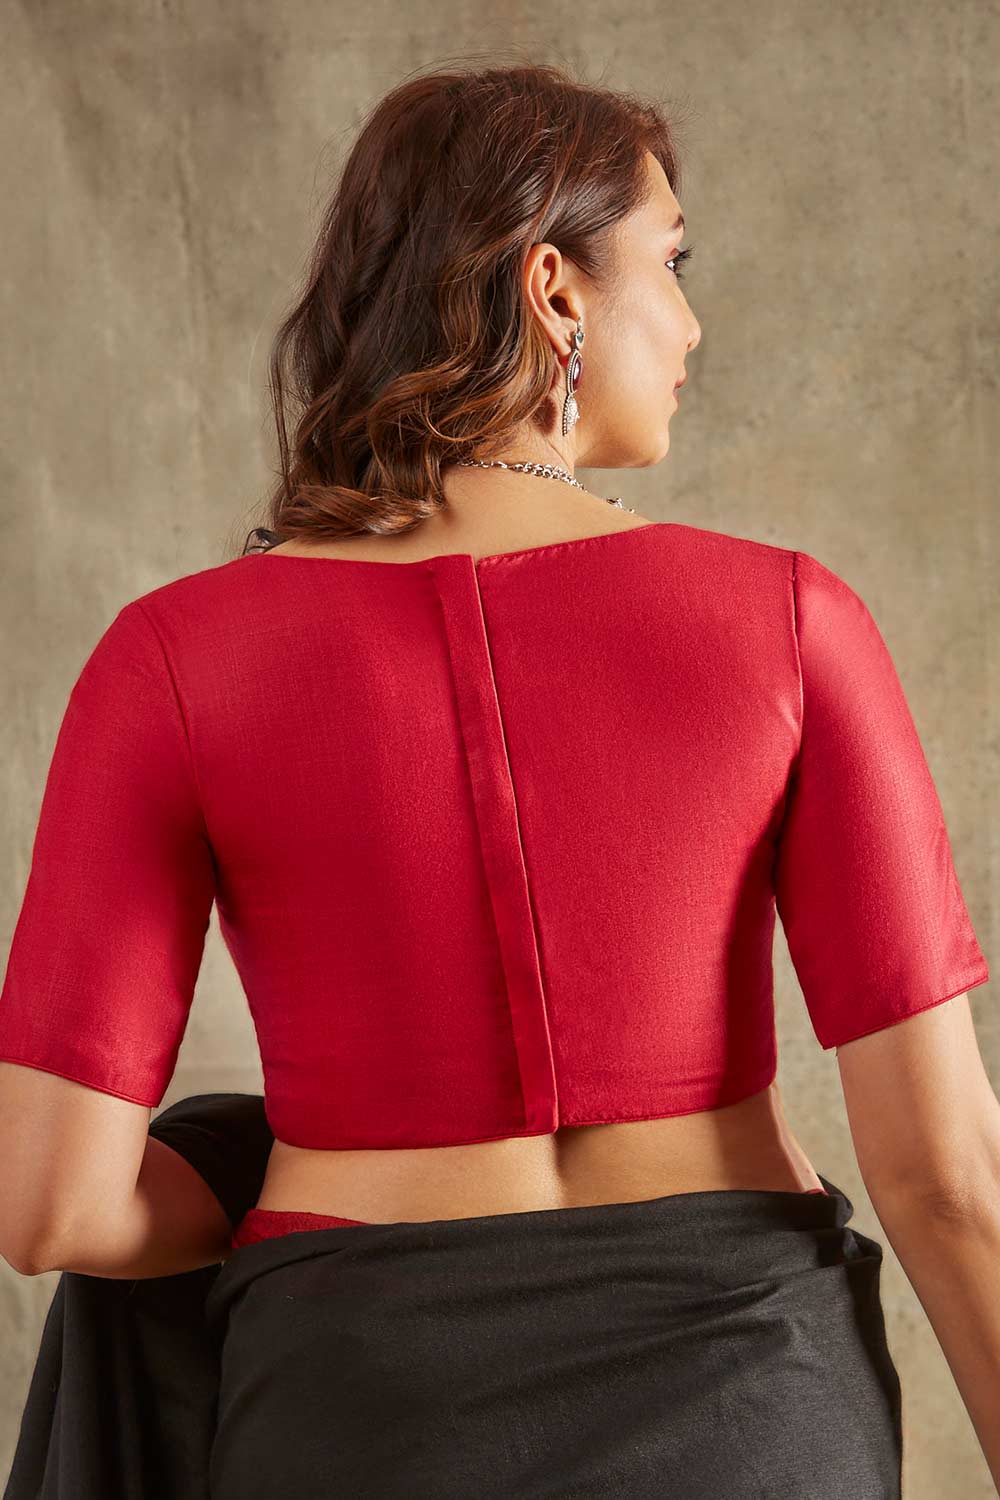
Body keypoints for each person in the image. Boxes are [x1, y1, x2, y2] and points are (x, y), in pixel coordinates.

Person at [0, 59, 995, 1499]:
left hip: (358, 1400)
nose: (691, 323)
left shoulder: (170, 657)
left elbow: (53, 1206)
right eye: (672, 261)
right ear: (554, 290)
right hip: (742, 1396)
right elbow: (948, 1179)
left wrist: (279, 1176)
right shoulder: (788, 619)